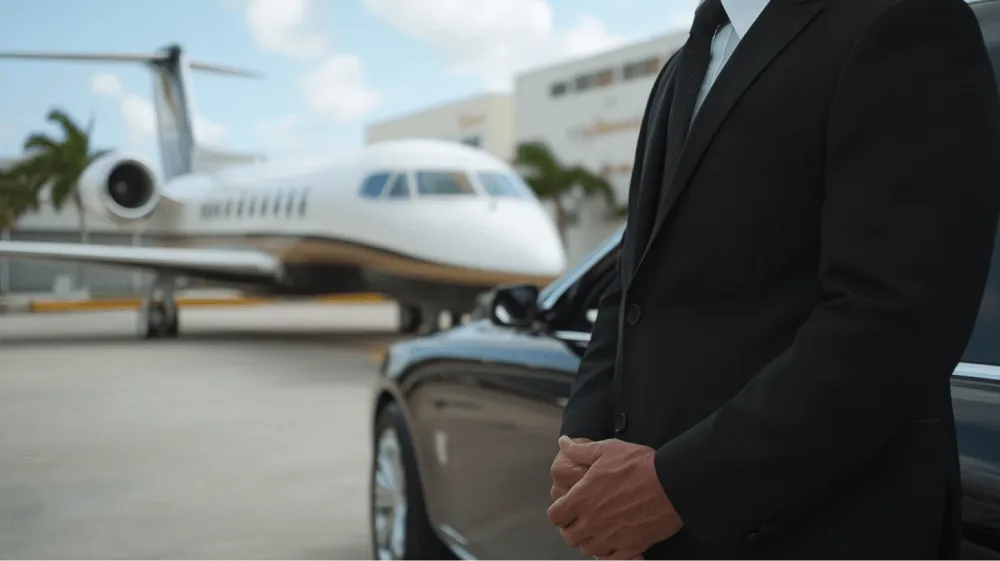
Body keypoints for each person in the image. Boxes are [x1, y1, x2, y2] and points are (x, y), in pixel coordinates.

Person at [545, 0, 1000, 558]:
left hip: (826, 533)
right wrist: (582, 443)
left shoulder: (904, 19)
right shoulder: (682, 68)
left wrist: (682, 487)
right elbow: (631, 286)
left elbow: (895, 320)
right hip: (659, 537)